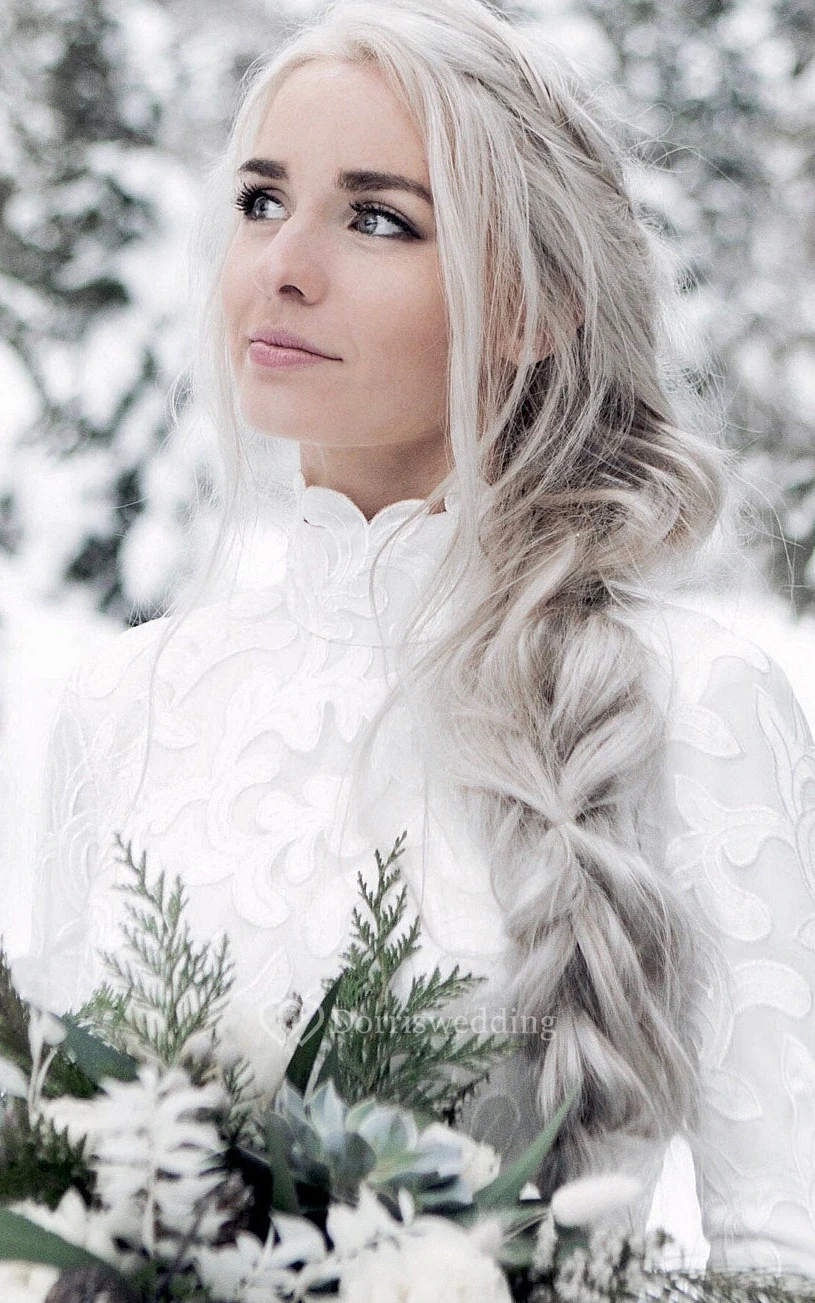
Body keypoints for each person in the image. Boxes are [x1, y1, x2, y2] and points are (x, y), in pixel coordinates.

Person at [19, 0, 815, 1277]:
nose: (284, 264)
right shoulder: (122, 702)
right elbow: (56, 1198)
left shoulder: (686, 700)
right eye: (262, 201)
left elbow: (780, 1255)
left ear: (532, 307)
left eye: (378, 218)